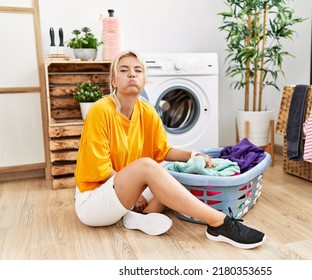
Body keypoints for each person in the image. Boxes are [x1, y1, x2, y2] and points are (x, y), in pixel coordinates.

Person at [74, 50, 266, 249]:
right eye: (124, 70)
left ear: (144, 80)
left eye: (138, 70)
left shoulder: (147, 111)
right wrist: (134, 193)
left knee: (174, 173)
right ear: (113, 81)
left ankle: (138, 218)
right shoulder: (100, 110)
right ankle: (220, 222)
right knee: (148, 167)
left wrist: (194, 155)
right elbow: (99, 169)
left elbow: (162, 151)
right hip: (94, 200)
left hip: (123, 196)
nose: (132, 74)